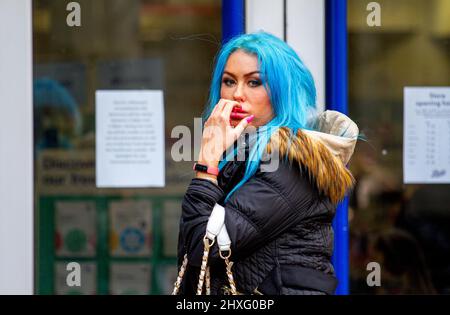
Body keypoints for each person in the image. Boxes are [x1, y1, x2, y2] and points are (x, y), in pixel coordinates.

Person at [175, 31, 359, 295]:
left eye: (254, 83)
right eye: (229, 81)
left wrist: (206, 163)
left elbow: (205, 246)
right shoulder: (241, 152)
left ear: (283, 91)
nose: (237, 94)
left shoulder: (292, 161)